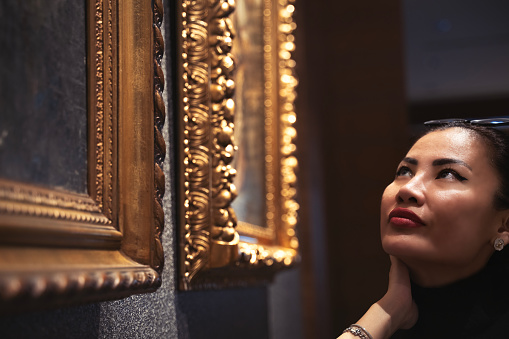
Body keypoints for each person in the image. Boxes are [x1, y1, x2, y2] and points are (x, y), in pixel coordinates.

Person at [338, 119, 509, 339]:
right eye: (404, 171)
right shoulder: (389, 323)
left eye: (448, 174)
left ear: (504, 225)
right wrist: (386, 313)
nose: (408, 189)